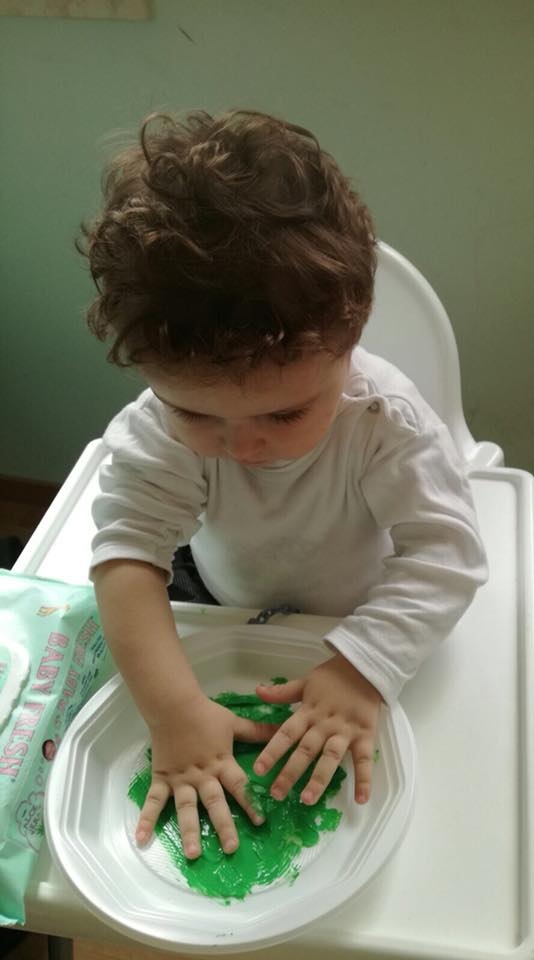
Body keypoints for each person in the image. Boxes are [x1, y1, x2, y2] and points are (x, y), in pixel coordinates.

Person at [81, 108, 488, 861]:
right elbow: (126, 553)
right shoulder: (160, 426)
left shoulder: (383, 424)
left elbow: (446, 555)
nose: (241, 448)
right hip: (223, 599)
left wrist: (363, 668)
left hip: (357, 612)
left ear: (350, 342)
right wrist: (173, 714)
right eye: (195, 413)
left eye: (286, 413)